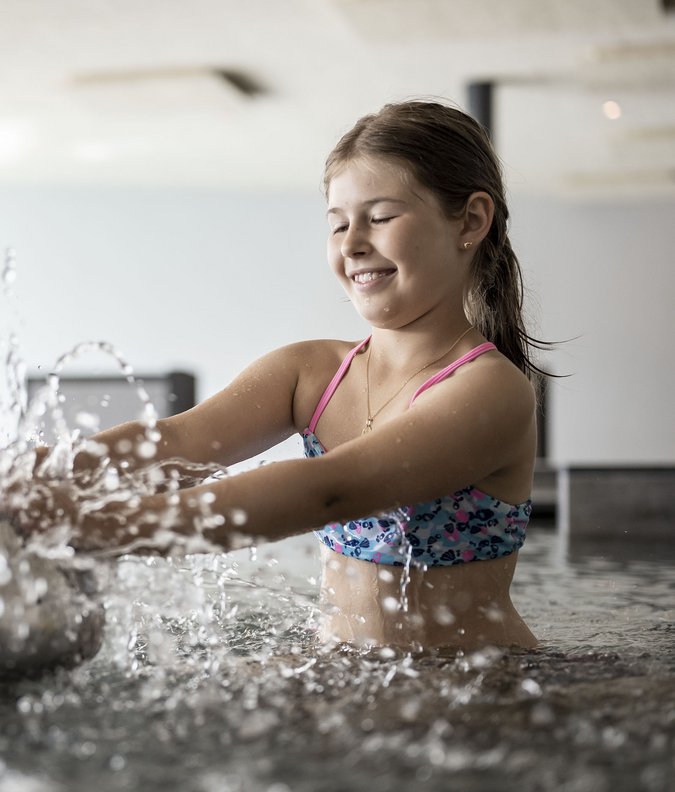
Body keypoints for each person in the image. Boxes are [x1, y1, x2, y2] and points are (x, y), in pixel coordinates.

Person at [7, 100, 544, 654]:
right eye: (338, 224)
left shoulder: (490, 391)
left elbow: (328, 492)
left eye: (380, 217)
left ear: (472, 220)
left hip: (480, 691)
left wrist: (103, 526)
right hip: (340, 670)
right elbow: (179, 444)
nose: (352, 242)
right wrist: (50, 474)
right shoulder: (309, 371)